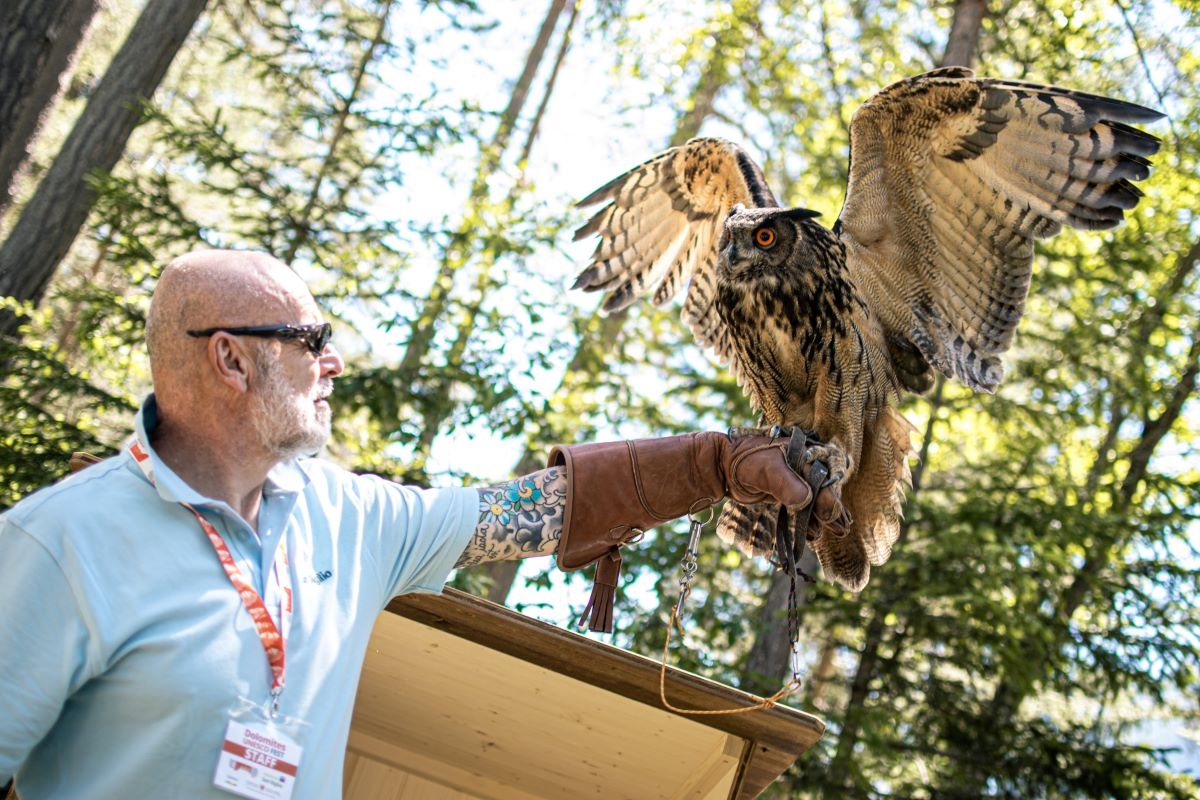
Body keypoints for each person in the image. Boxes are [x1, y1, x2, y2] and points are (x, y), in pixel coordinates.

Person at [0, 249, 832, 799]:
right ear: (231, 358)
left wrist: (714, 465)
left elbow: (527, 513)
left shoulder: (347, 517)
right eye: (309, 340)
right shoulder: (61, 540)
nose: (333, 362)